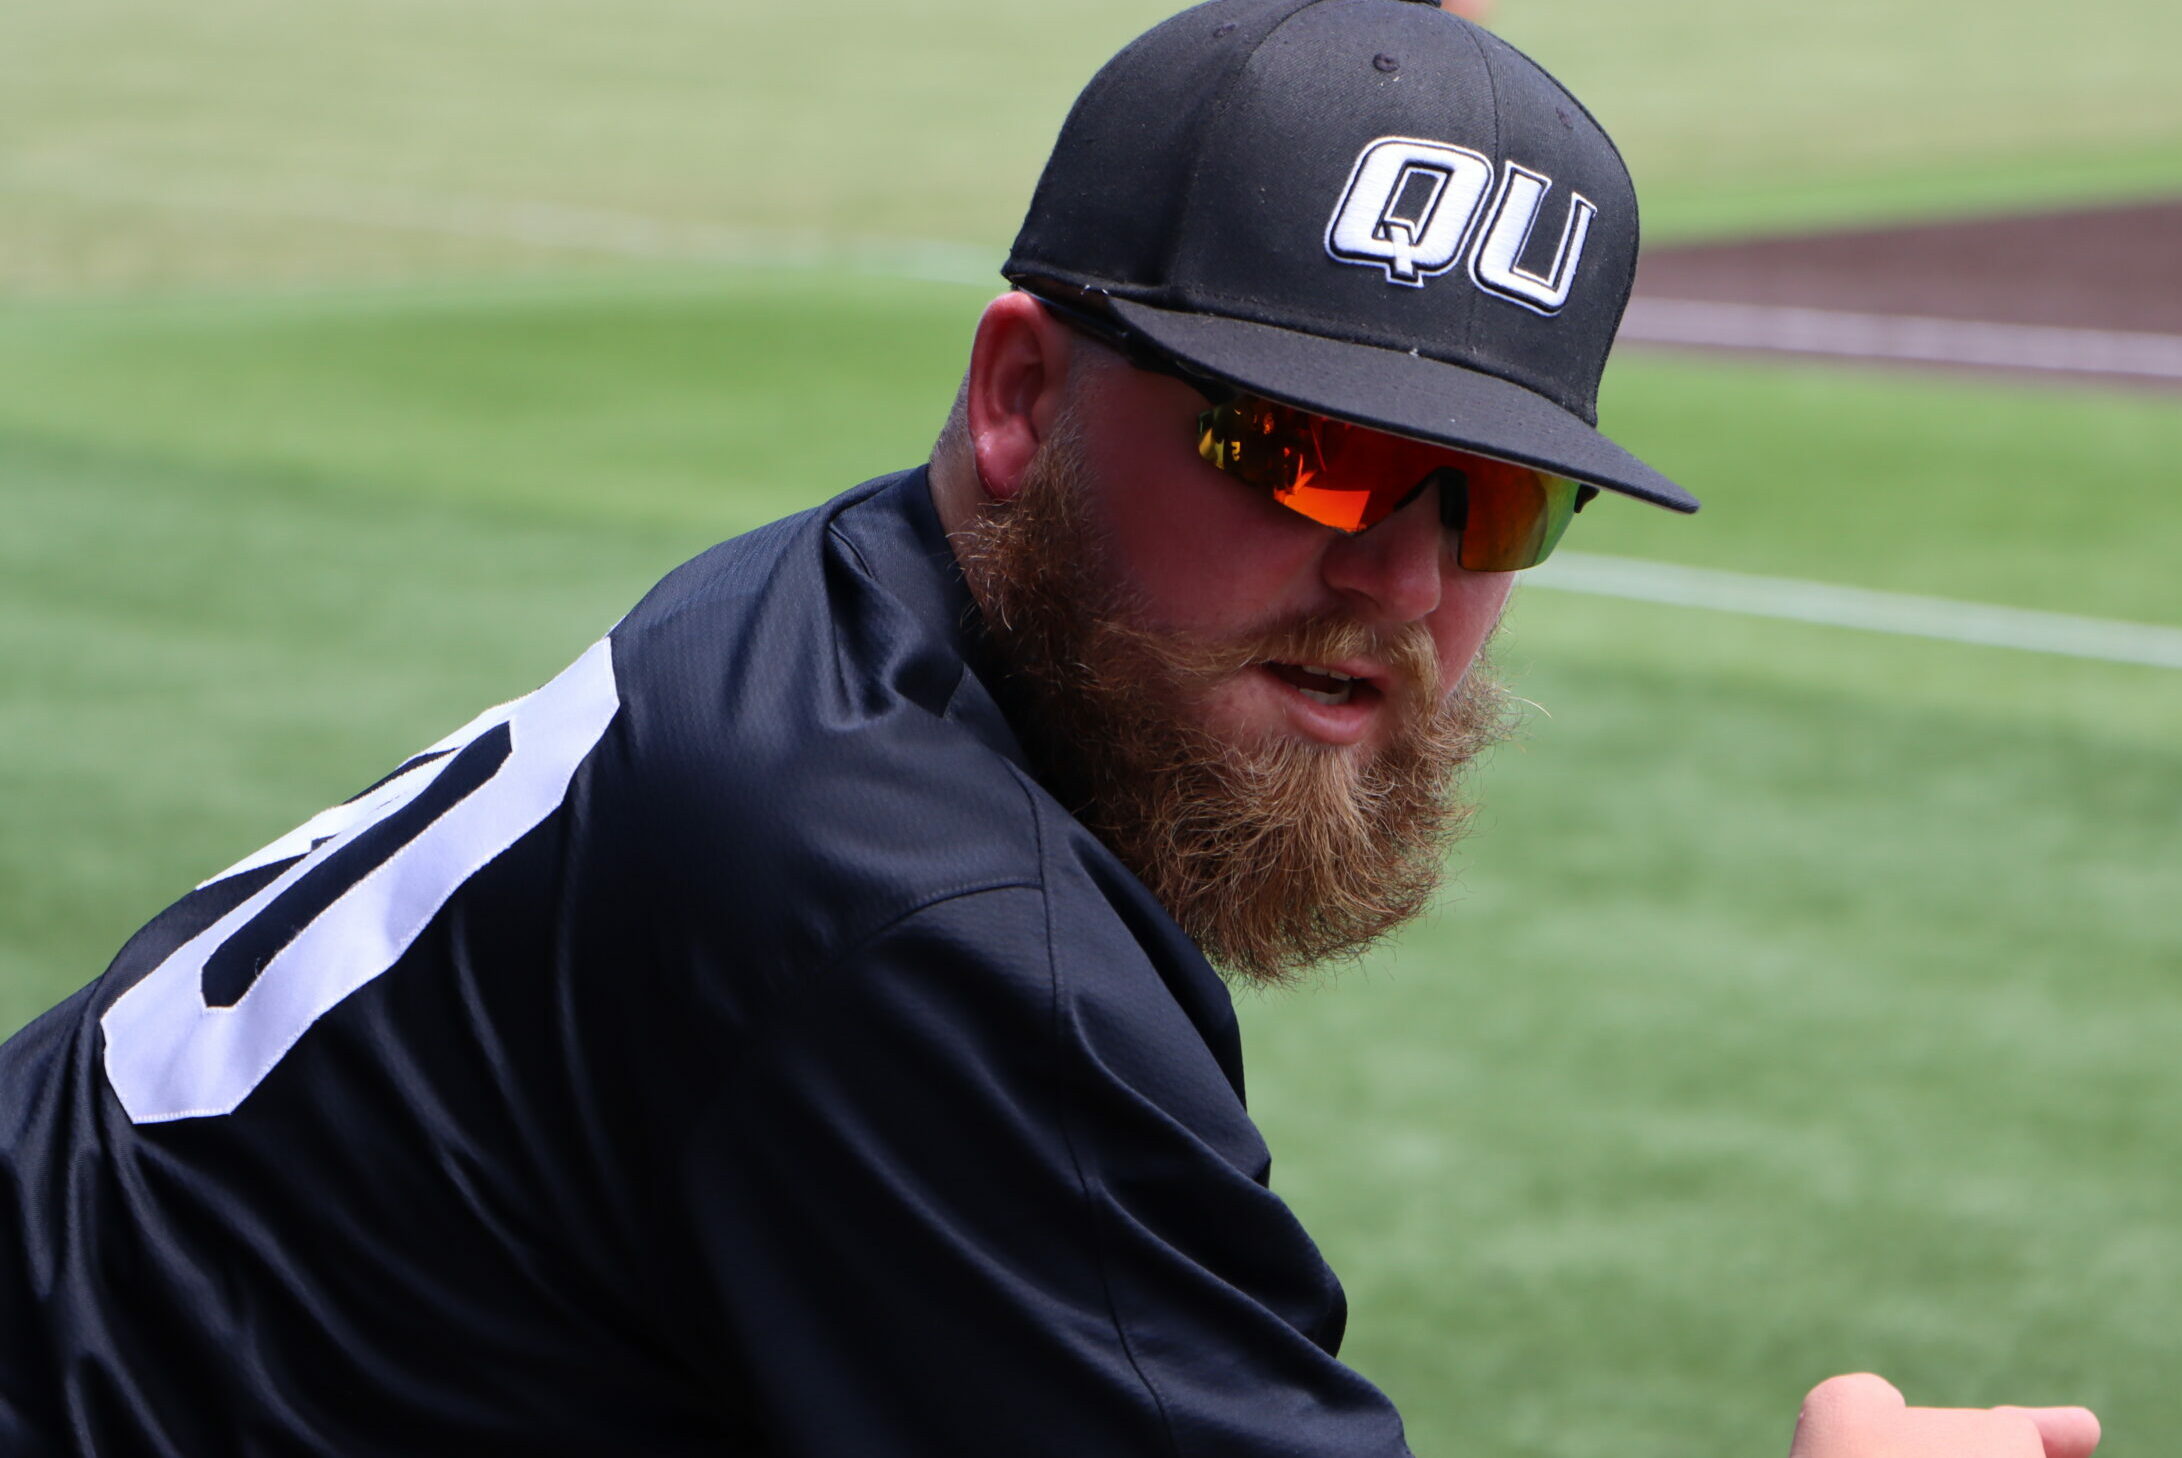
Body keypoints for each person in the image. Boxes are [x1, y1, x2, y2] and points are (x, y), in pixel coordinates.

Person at [0, 2, 2101, 1455]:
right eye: (1297, 449)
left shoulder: (856, 623)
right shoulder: (915, 913)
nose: (1396, 576)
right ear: (1018, 399)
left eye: (1494, 496)